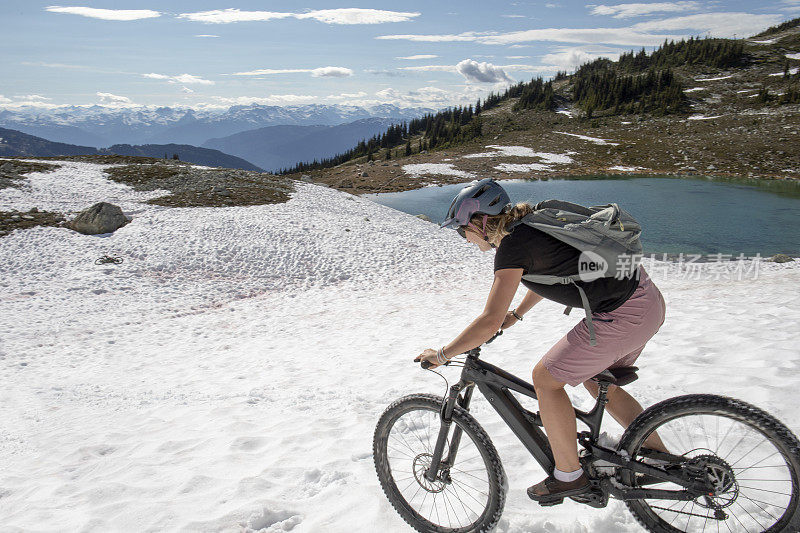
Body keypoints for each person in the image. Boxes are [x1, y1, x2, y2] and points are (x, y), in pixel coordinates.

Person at [415, 178, 667, 502]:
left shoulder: (512, 246)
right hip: (646, 301)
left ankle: (569, 475)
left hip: (624, 314)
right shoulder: (529, 224)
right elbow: (554, 271)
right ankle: (655, 454)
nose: (463, 238)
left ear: (482, 223)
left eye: (461, 228)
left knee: (545, 379)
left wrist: (443, 354)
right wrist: (518, 314)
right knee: (593, 379)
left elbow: (488, 320)